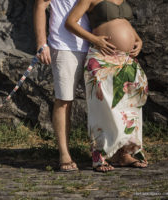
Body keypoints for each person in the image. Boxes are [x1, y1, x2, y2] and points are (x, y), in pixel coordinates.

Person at [65, 0, 148, 172]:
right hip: (102, 58)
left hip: (125, 60)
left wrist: (138, 40)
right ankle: (99, 155)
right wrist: (95, 39)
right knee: (103, 108)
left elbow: (124, 22)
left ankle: (124, 154)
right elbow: (70, 23)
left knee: (130, 107)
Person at [34, 0, 91, 172]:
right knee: (64, 100)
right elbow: (40, 6)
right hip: (64, 45)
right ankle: (64, 154)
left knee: (99, 102)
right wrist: (41, 43)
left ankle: (102, 153)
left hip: (94, 45)